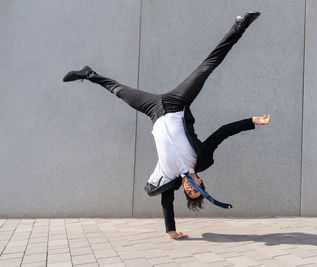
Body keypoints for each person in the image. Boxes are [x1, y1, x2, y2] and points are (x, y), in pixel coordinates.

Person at [63, 11, 271, 239]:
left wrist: (171, 231)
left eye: (189, 192)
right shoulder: (201, 158)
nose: (191, 188)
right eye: (195, 189)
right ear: (200, 181)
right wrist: (252, 121)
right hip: (176, 104)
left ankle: (89, 74)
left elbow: (166, 201)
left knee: (119, 91)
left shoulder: (168, 176)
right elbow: (222, 133)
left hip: (153, 110)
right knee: (207, 67)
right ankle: (240, 25)